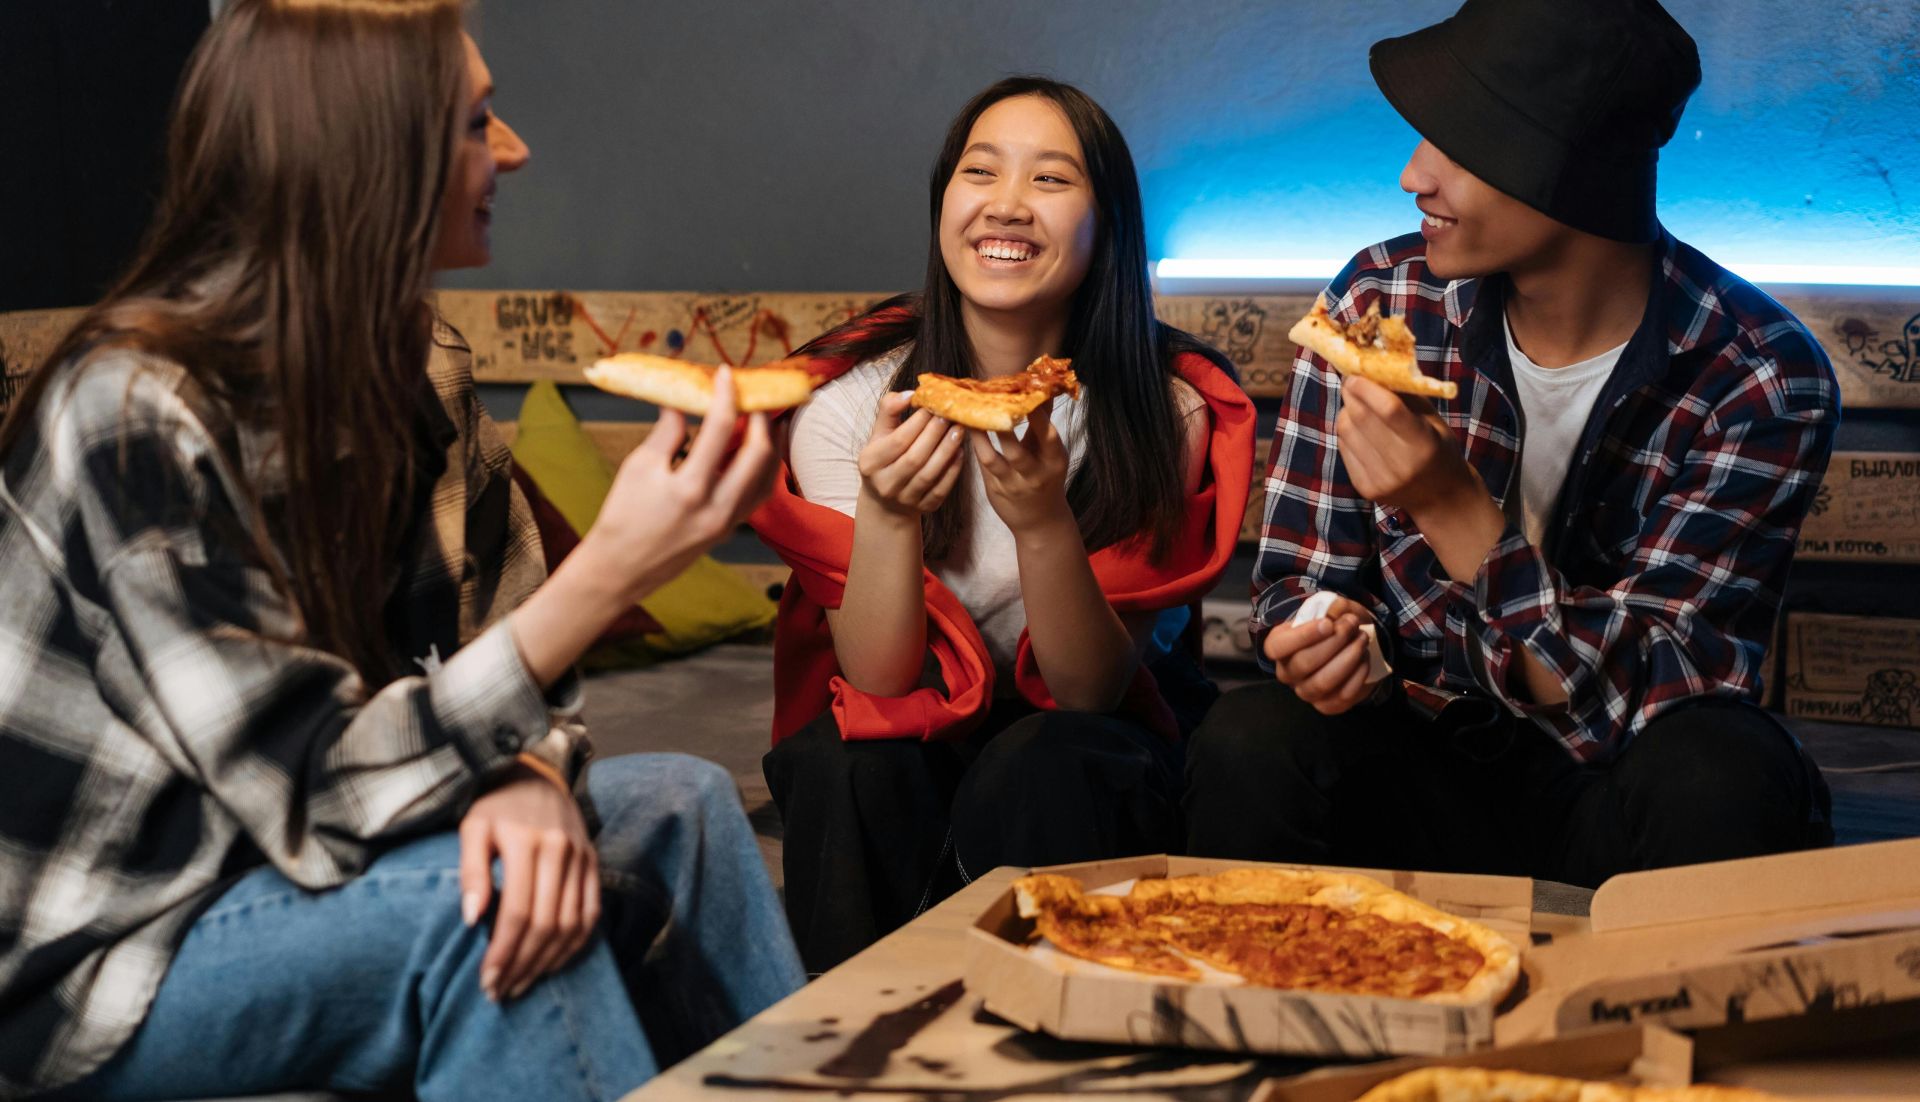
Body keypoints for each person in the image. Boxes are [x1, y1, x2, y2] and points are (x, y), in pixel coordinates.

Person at [0, 2, 800, 1098]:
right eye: (477, 121)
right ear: (367, 153)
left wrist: (521, 769)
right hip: (112, 952)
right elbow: (313, 780)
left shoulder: (418, 373)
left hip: (308, 854)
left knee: (686, 809)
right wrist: (609, 574)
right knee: (478, 915)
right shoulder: (133, 413)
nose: (512, 148)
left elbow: (464, 679)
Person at [1185, 0, 1837, 886]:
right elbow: (1299, 583)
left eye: (1459, 143)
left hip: (1612, 791)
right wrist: (1331, 637)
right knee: (1250, 739)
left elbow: (1653, 694)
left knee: (1724, 770)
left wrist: (1452, 508)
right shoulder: (1383, 302)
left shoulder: (1757, 375)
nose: (1414, 176)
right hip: (1414, 764)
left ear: (1572, 171)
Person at [752, 76, 1256, 972]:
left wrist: (1043, 524)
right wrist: (888, 511)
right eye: (980, 172)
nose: (1008, 206)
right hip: (913, 719)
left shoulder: (1165, 413)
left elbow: (1094, 691)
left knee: (1045, 758)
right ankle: (852, 1049)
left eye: (1053, 181)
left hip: (1085, 738)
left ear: (1109, 224)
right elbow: (877, 677)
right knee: (845, 765)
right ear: (944, 201)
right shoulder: (848, 407)